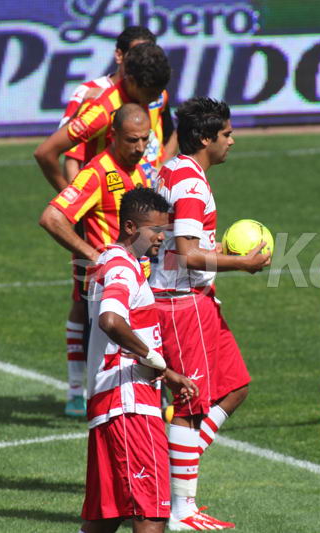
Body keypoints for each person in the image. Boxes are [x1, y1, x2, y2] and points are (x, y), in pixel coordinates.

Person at [148, 97, 270, 530]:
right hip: (181, 305)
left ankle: (172, 475)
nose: (232, 141)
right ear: (205, 138)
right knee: (188, 403)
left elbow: (181, 244)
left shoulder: (177, 171)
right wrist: (243, 263)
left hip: (196, 299)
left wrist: (219, 250)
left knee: (235, 385)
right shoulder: (190, 184)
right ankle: (182, 508)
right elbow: (185, 255)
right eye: (227, 134)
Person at [80, 186, 197, 533]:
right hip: (130, 407)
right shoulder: (121, 267)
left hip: (111, 405)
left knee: (106, 516)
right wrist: (156, 361)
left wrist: (167, 374)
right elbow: (111, 320)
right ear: (130, 227)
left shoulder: (114, 261)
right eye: (156, 230)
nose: (163, 237)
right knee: (151, 514)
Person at [39, 103, 155, 416]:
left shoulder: (140, 168)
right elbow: (52, 218)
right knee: (114, 391)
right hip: (112, 288)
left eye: (145, 139)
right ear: (113, 135)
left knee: (139, 384)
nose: (140, 147)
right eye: (132, 140)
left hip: (140, 286)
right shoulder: (97, 172)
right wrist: (93, 256)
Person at [35, 41, 171, 193]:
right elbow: (45, 153)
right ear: (131, 81)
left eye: (160, 91)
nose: (156, 98)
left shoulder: (156, 97)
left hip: (141, 202)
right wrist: (69, 198)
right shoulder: (102, 111)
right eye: (151, 93)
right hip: (108, 207)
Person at [59, 26, 176, 183]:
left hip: (149, 190)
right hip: (111, 189)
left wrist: (162, 168)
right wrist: (75, 202)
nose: (143, 59)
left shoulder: (155, 94)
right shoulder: (92, 94)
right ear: (119, 55)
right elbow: (72, 156)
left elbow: (170, 135)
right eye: (136, 53)